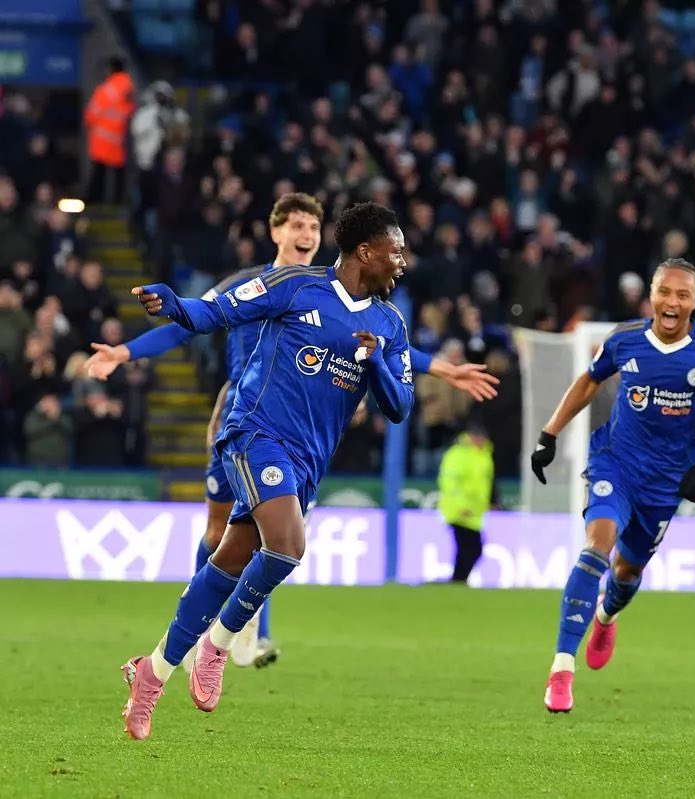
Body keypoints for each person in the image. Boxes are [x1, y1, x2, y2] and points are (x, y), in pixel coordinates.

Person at [88, 193, 498, 669]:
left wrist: (441, 369)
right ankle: (211, 634)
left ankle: (232, 636)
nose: (306, 235)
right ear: (276, 231)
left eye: (313, 227)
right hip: (245, 420)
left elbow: (386, 349)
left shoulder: (357, 303)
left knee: (267, 538)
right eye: (297, 226)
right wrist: (125, 352)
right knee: (234, 532)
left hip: (305, 435)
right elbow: (191, 321)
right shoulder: (261, 284)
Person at [121, 202, 417, 740]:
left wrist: (376, 362)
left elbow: (399, 406)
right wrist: (174, 304)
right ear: (365, 251)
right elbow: (217, 312)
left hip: (307, 462)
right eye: (395, 252)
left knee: (230, 558)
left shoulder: (389, 325)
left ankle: (152, 672)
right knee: (288, 546)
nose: (402, 262)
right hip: (254, 434)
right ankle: (218, 645)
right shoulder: (295, 286)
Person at [530, 258, 695, 713]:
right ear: (651, 295)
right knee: (596, 546)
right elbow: (589, 382)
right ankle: (562, 668)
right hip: (616, 464)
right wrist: (550, 433)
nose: (672, 302)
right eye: (664, 291)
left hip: (665, 484)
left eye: (682, 294)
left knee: (627, 572)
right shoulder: (624, 339)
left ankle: (605, 615)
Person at [437, 415, 495, 582]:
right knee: (471, 547)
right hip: (458, 511)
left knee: (470, 548)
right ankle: (459, 580)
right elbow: (449, 483)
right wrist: (461, 506)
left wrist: (489, 502)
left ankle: (459, 580)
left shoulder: (484, 455)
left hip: (474, 512)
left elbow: (486, 483)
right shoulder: (457, 454)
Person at [84, 57, 135, 204]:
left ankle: (95, 201)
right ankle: (118, 202)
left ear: (111, 69)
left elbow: (91, 114)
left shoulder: (107, 89)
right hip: (119, 139)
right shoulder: (128, 88)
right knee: (119, 174)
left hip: (102, 140)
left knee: (99, 173)